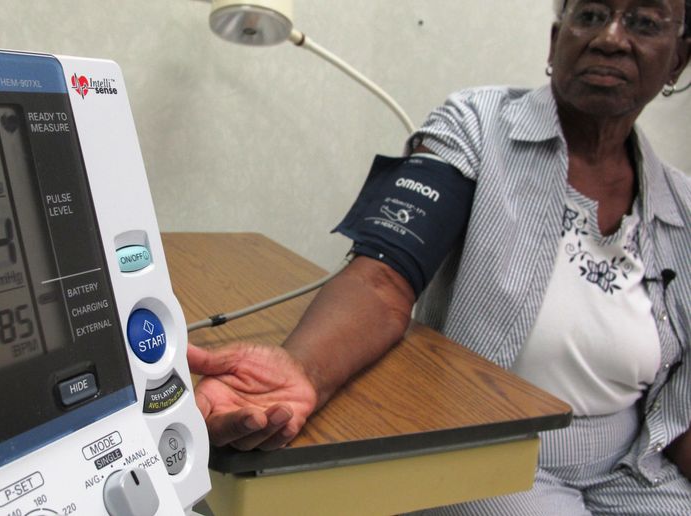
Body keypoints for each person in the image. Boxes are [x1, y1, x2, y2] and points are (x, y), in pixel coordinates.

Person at [187, 0, 691, 513]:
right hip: (495, 448)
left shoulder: (682, 207)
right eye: (589, 15)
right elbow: (383, 277)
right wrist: (302, 369)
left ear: (678, 60)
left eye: (644, 22)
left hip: (633, 467)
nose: (609, 36)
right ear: (554, 41)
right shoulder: (477, 126)